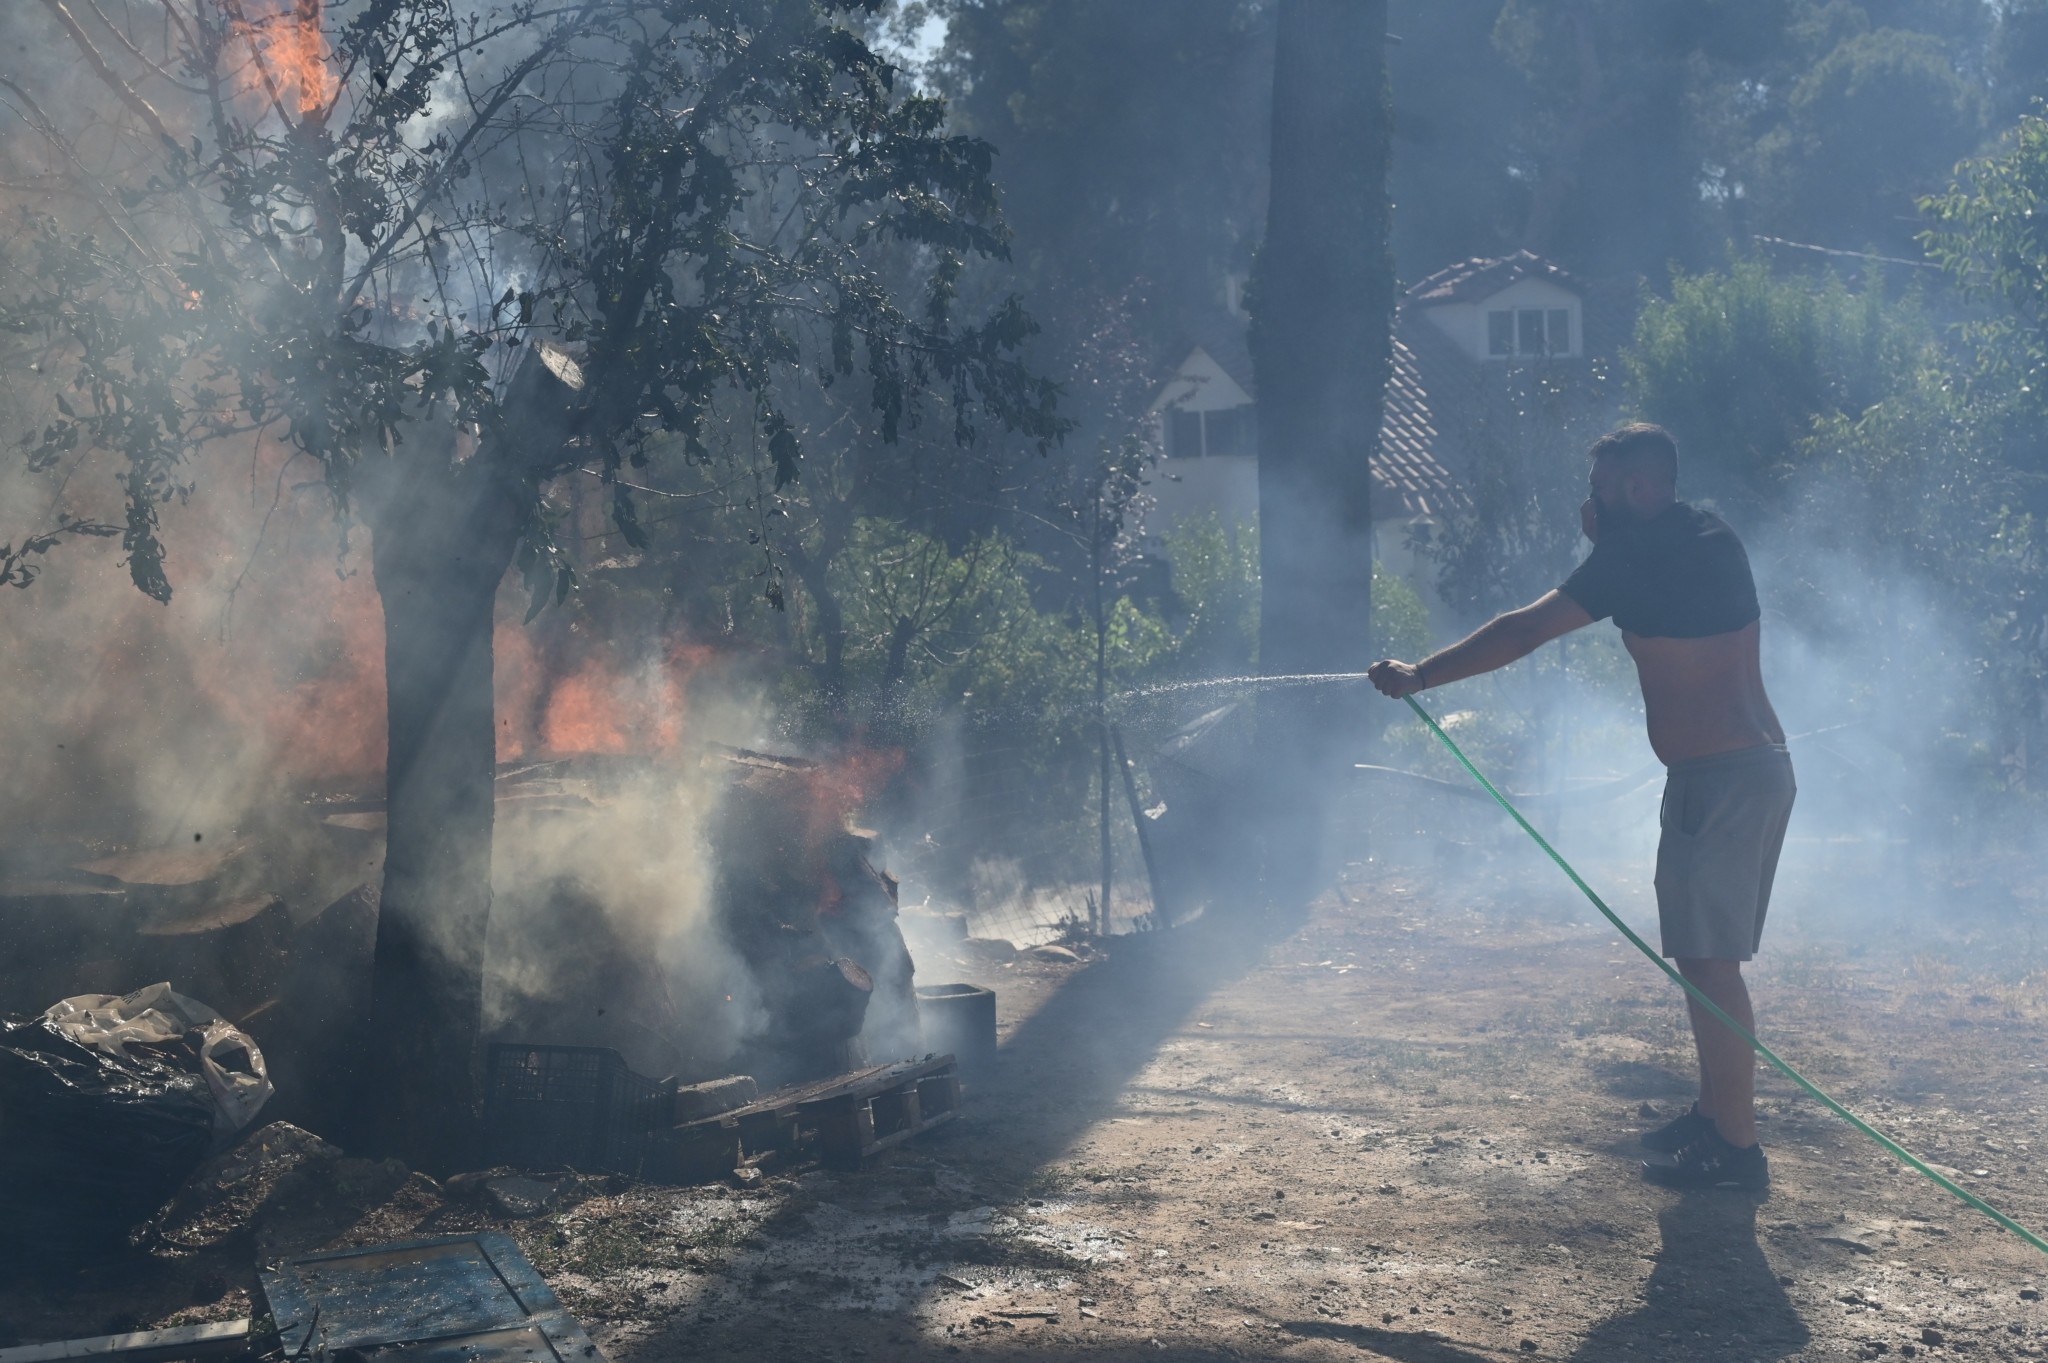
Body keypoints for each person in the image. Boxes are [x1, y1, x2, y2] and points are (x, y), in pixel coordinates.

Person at [1367, 422, 1793, 1193]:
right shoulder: (1711, 535)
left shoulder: (1633, 555)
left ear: (1636, 488)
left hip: (1722, 779)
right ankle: (1714, 1118)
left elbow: (1524, 630)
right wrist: (1609, 547)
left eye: (1600, 488)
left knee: (1710, 966)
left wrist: (1420, 675)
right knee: (1704, 961)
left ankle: (1737, 1151)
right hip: (1758, 767)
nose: (1587, 502)